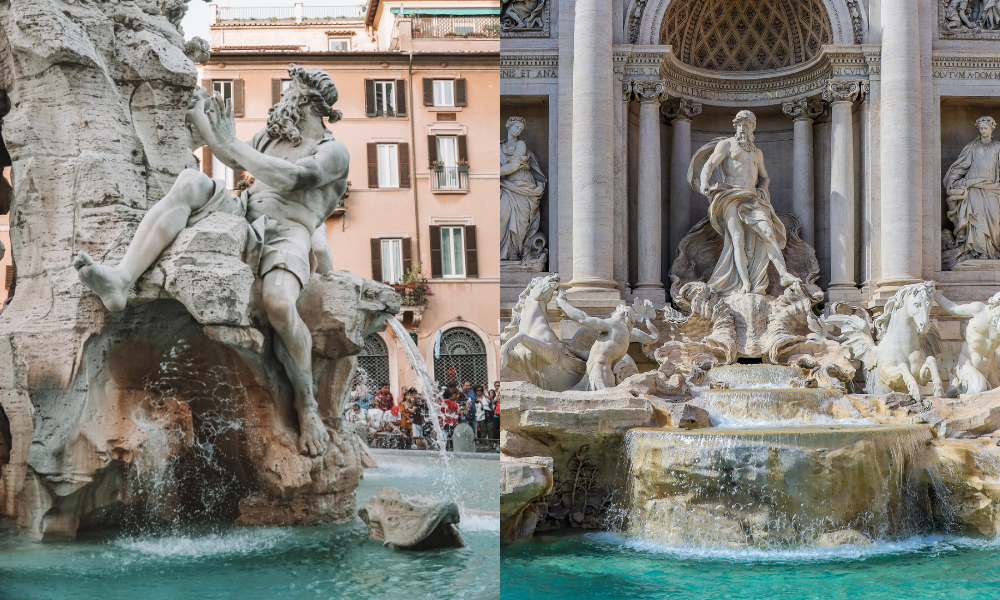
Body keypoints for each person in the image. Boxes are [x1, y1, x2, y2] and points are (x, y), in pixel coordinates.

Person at [73, 65, 349, 457]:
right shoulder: (272, 136)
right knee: (190, 182)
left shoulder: (331, 151)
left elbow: (290, 179)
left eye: (288, 93)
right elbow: (232, 156)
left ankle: (307, 405)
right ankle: (121, 278)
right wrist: (202, 117)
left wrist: (232, 144)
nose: (281, 99)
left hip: (290, 232)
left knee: (279, 303)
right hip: (244, 212)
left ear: (304, 101)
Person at [693, 110, 800, 296]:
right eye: (740, 124)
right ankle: (744, 284)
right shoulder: (726, 145)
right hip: (730, 195)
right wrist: (704, 182)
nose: (744, 128)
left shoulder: (756, 152)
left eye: (748, 124)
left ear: (753, 128)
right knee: (737, 239)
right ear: (735, 126)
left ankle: (783, 274)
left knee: (768, 232)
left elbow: (764, 177)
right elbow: (709, 165)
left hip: (752, 198)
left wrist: (763, 189)